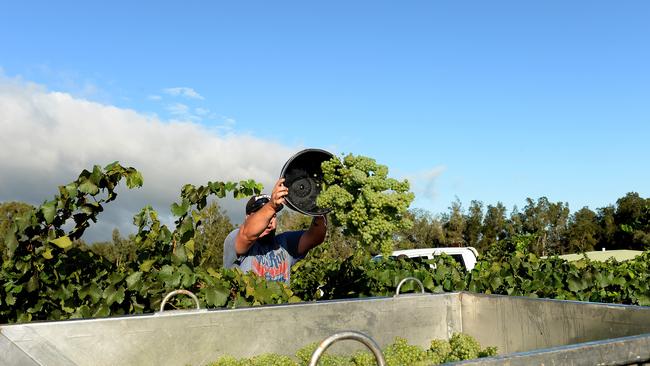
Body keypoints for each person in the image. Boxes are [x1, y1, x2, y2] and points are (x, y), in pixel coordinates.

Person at [223, 177, 327, 283]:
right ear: (247, 218)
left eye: (273, 216)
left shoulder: (284, 243)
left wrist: (319, 209)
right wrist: (271, 206)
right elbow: (247, 235)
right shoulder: (234, 238)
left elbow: (315, 237)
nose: (269, 222)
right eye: (265, 216)